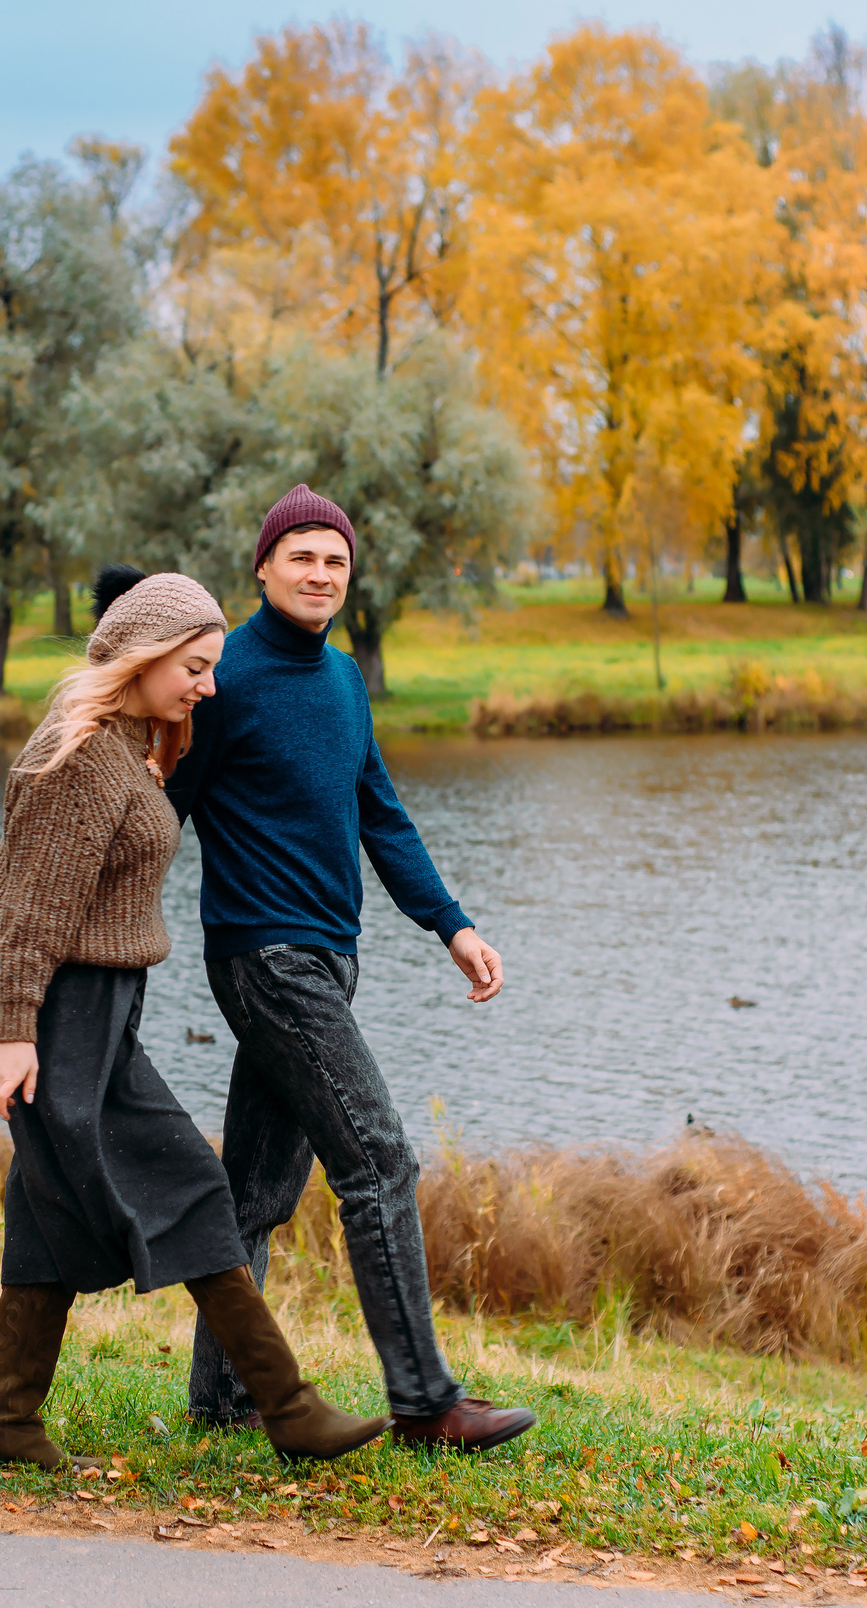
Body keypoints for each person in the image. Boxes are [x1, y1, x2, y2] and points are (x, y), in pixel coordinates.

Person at [0, 566, 387, 1470]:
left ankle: (4, 1424)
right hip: (64, 1012)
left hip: (100, 1011)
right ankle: (288, 1407)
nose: (208, 683)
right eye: (194, 667)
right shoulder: (80, 757)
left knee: (47, 1212)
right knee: (196, 1185)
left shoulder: (125, 746)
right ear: (146, 656)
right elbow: (35, 909)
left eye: (211, 667)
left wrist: (173, 744)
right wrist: (15, 1031)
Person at [172, 487, 536, 1453]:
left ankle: (219, 1396)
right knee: (378, 1160)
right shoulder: (225, 677)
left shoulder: (342, 680)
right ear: (262, 567)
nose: (319, 574)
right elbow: (163, 807)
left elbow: (380, 813)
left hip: (329, 959)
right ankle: (426, 1401)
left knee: (254, 1193)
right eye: (300, 556)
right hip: (264, 955)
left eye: (334, 560)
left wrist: (451, 926)